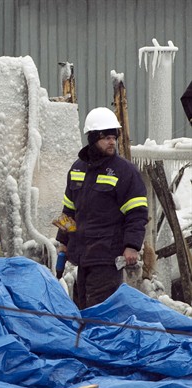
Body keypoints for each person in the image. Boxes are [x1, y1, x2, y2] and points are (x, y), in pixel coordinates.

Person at [56, 107, 148, 309]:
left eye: (113, 137)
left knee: (100, 315)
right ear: (92, 138)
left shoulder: (124, 172)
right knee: (81, 310)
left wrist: (132, 245)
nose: (112, 142)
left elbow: (137, 213)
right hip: (82, 257)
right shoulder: (77, 168)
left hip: (107, 258)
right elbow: (69, 210)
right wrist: (63, 242)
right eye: (106, 137)